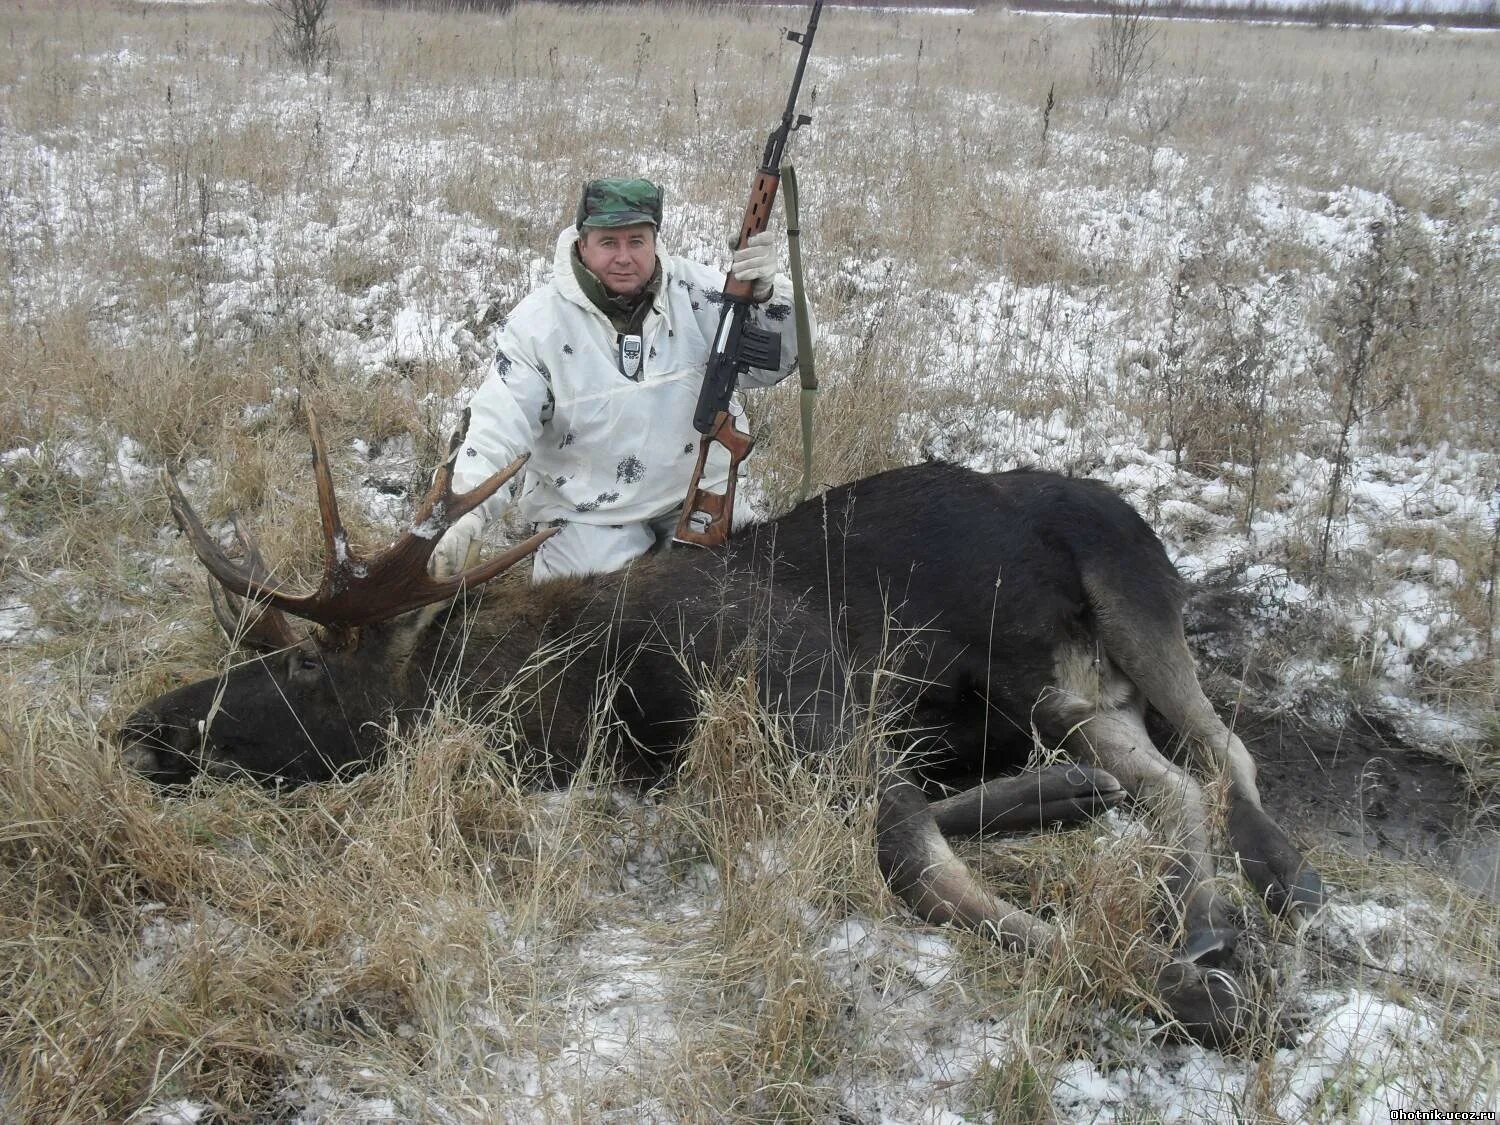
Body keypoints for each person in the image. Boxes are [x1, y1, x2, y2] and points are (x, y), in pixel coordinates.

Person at [433, 177, 807, 582]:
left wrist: (770, 298)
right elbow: (498, 423)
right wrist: (464, 513)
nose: (624, 257)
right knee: (586, 627)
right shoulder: (538, 327)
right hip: (590, 514)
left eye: (637, 241)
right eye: (609, 243)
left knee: (745, 597)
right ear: (582, 245)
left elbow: (780, 362)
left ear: (655, 240)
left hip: (700, 493)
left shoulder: (702, 293)